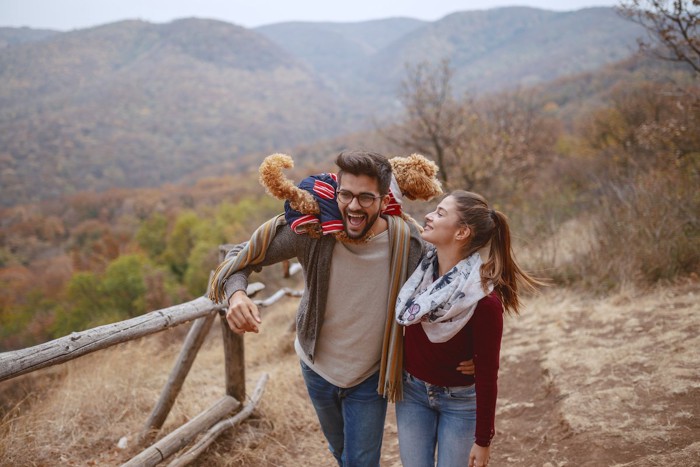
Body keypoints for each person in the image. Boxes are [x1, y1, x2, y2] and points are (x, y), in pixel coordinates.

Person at [208, 150, 425, 466]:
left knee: (360, 461)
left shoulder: (406, 243)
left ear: (384, 200)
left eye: (366, 198)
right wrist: (237, 296)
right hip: (316, 367)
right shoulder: (313, 233)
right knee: (340, 452)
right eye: (346, 195)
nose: (353, 206)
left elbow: (447, 287)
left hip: (370, 374)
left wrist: (471, 353)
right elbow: (240, 259)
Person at [394, 190, 543, 467]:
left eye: (440, 213)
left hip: (459, 403)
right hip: (412, 393)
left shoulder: (484, 300)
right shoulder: (418, 270)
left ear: (462, 232)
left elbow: (488, 375)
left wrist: (483, 440)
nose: (428, 215)